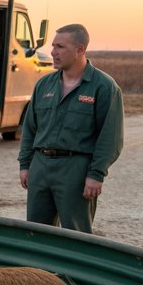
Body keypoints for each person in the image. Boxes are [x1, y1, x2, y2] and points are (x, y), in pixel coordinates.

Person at [17, 24, 124, 233]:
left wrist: (96, 174)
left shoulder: (103, 87)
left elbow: (110, 138)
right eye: (53, 46)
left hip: (75, 170)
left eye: (60, 47)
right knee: (36, 234)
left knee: (76, 235)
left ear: (80, 50)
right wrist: (25, 164)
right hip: (41, 166)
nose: (53, 52)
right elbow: (30, 128)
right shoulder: (44, 84)